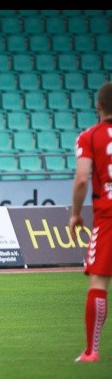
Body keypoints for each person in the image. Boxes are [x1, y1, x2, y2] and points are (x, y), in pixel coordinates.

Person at [69, 81, 112, 363]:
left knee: (98, 281)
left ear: (98, 106)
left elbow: (82, 178)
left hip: (108, 215)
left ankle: (91, 350)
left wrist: (75, 213)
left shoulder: (90, 136)